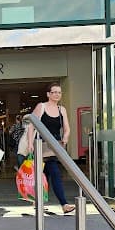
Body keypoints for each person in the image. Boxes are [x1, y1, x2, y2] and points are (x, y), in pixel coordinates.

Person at [27, 82, 75, 214]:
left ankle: (37, 200)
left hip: (55, 145)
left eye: (59, 92)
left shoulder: (62, 109)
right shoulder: (41, 107)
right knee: (54, 172)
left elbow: (67, 128)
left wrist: (65, 137)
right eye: (54, 92)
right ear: (48, 94)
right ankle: (64, 203)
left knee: (46, 174)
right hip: (41, 145)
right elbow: (31, 126)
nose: (57, 94)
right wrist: (30, 143)